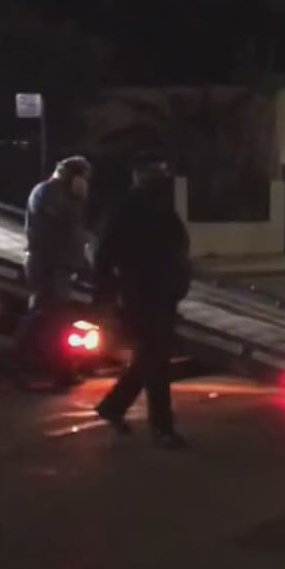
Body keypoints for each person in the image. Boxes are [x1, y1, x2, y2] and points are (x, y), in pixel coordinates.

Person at [93, 154, 192, 448]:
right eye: (156, 172)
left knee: (150, 358)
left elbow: (178, 249)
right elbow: (103, 254)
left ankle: (113, 406)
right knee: (157, 360)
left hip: (159, 293)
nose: (162, 177)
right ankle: (162, 429)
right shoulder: (129, 210)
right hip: (143, 294)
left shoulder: (157, 208)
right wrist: (110, 292)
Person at [19, 156, 93, 387]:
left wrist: (81, 262)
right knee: (49, 319)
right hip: (48, 265)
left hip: (58, 265)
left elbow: (73, 232)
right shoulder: (48, 192)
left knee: (53, 319)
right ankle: (45, 368)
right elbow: (60, 229)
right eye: (82, 177)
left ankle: (55, 369)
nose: (84, 183)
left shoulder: (63, 195)